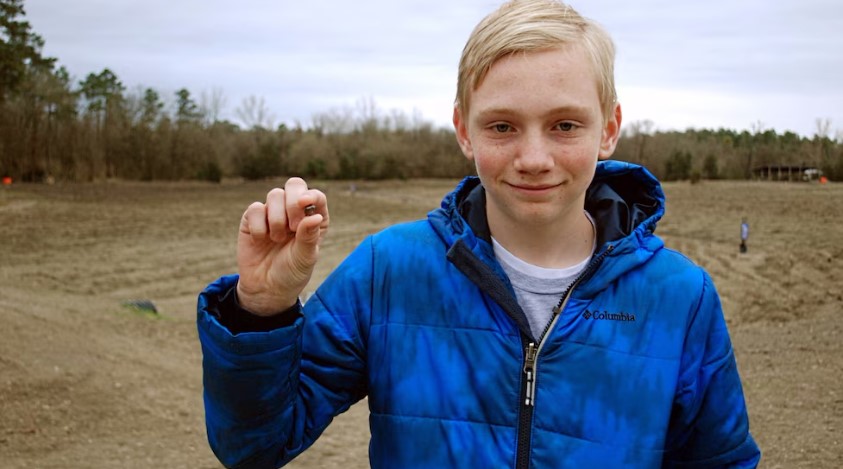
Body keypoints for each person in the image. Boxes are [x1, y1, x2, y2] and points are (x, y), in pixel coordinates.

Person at [197, 1, 761, 467]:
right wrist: (261, 310)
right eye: (502, 126)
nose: (533, 157)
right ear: (464, 130)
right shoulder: (387, 272)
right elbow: (253, 447)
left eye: (564, 125)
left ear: (608, 129)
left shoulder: (679, 298)